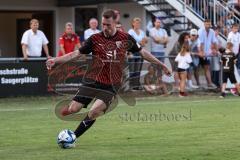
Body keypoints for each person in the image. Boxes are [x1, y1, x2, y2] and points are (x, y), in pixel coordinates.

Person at [46, 9, 171, 141]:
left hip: (111, 85)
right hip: (92, 81)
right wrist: (55, 60)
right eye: (103, 24)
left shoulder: (125, 38)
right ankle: (69, 109)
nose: (105, 27)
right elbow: (76, 54)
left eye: (108, 25)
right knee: (74, 109)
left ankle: (73, 137)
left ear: (115, 22)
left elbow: (143, 53)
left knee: (94, 112)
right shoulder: (94, 39)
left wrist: (161, 65)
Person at [128, 17, 148, 90]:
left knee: (138, 70)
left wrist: (139, 43)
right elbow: (131, 42)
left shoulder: (142, 32)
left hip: (140, 52)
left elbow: (145, 41)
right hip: (133, 52)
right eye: (136, 22)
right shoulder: (131, 31)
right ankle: (131, 86)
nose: (138, 24)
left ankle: (136, 86)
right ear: (133, 23)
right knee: (132, 70)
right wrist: (140, 43)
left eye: (139, 23)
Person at [198, 19, 218, 89]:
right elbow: (201, 43)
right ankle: (198, 84)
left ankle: (209, 83)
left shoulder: (212, 31)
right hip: (199, 52)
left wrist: (216, 50)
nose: (208, 25)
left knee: (207, 68)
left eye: (209, 24)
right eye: (206, 24)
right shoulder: (200, 31)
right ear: (204, 24)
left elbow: (214, 41)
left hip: (207, 53)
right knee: (196, 68)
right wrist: (202, 52)